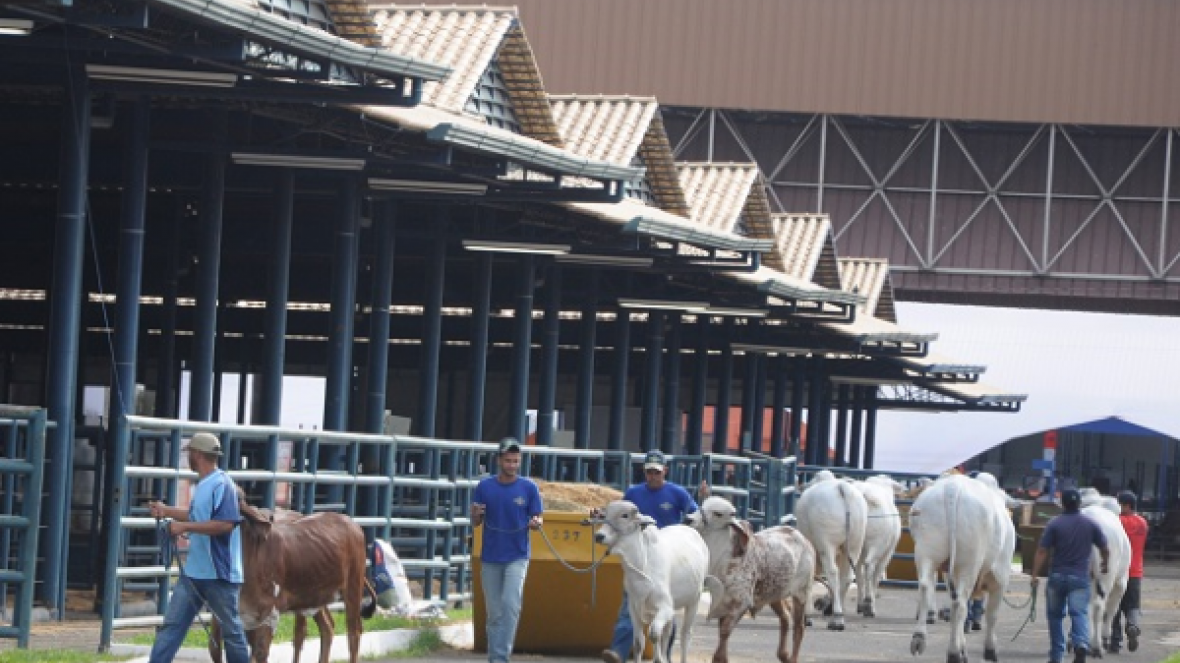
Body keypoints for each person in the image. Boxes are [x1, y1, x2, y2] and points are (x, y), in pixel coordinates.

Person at [146, 432, 249, 663]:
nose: (189, 458)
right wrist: (167, 511)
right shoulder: (205, 485)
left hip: (219, 573)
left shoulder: (222, 485)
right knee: (172, 626)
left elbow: (225, 524)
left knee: (232, 633)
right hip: (195, 572)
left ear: (198, 454)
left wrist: (183, 526)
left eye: (190, 453)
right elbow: (197, 516)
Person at [601, 450, 704, 663]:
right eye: (649, 472)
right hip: (639, 558)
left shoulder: (677, 494)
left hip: (668, 557)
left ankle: (663, 655)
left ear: (664, 471)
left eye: (657, 472)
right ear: (644, 472)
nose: (653, 476)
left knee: (667, 608)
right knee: (630, 605)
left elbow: (694, 514)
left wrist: (697, 509)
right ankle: (618, 652)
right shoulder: (634, 494)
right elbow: (619, 517)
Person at [471, 437, 543, 663]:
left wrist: (537, 522)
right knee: (494, 612)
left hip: (518, 555)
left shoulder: (529, 487)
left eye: (516, 461)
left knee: (511, 605)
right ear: (499, 460)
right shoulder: (484, 486)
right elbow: (475, 522)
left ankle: (500, 657)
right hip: (491, 555)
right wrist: (475, 514)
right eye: (508, 460)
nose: (512, 465)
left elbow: (537, 515)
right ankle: (495, 657)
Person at [1030, 488, 1110, 663]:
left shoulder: (1054, 523)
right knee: (1079, 613)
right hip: (1080, 578)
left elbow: (1042, 550)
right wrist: (1105, 563)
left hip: (1057, 576)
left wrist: (1034, 575)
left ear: (1062, 504)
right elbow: (1104, 547)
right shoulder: (1090, 524)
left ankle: (1057, 656)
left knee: (1055, 616)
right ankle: (1080, 644)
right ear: (1079, 503)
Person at [1109, 490, 1147, 653]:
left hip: (1117, 572)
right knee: (1132, 605)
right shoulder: (1143, 523)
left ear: (1127, 505)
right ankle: (1132, 625)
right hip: (1135, 572)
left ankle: (1115, 643)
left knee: (1114, 608)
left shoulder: (1117, 522)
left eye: (1120, 504)